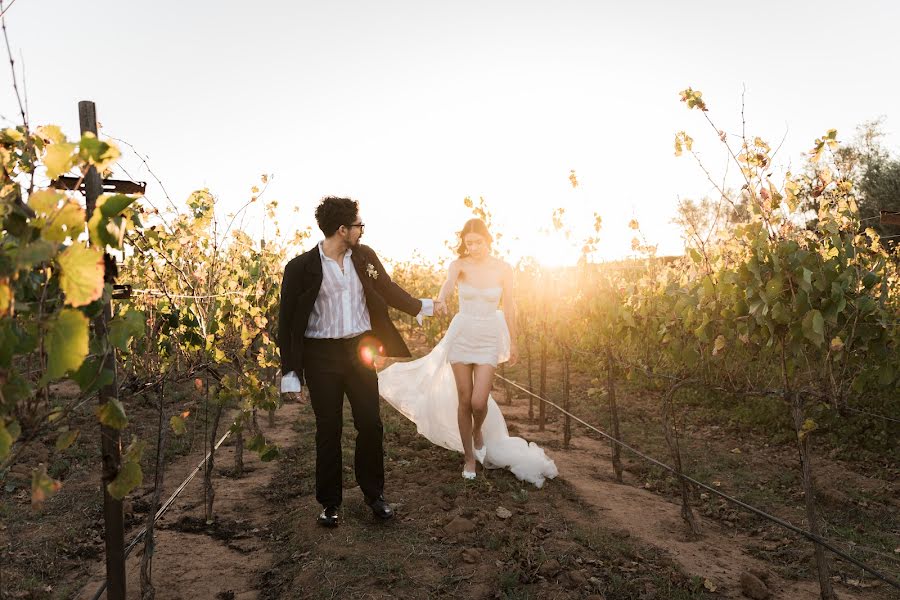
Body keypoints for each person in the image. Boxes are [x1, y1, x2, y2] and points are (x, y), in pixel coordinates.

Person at [278, 196, 435, 527]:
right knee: (328, 429)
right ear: (342, 229)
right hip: (321, 356)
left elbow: (388, 289)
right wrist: (291, 371)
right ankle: (330, 503)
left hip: (361, 350)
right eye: (357, 225)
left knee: (370, 424)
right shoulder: (300, 268)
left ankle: (374, 495)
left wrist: (420, 306)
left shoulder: (364, 257)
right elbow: (288, 323)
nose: (361, 230)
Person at [378, 218, 557, 486]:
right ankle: (469, 458)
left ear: (488, 240)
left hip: (488, 336)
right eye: (468, 243)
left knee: (479, 401)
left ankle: (477, 432)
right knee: (464, 399)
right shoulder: (459, 266)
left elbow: (510, 305)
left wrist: (514, 340)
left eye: (478, 242)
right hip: (462, 335)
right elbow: (448, 285)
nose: (473, 247)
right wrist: (440, 300)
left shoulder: (503, 269)